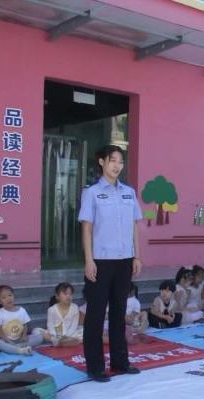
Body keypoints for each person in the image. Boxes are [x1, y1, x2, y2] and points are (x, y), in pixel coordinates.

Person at [78, 145, 142, 382]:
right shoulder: (92, 193)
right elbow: (87, 227)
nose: (117, 166)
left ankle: (120, 362)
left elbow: (134, 225)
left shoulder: (128, 193)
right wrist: (89, 260)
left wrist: (136, 256)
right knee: (95, 315)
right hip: (101, 261)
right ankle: (95, 367)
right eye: (113, 160)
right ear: (102, 162)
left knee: (118, 312)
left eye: (120, 162)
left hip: (124, 261)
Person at [0, 285, 43, 355]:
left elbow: (25, 325)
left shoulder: (21, 310)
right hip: (6, 340)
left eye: (10, 295)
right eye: (4, 297)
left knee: (39, 338)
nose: (8, 299)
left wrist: (24, 335)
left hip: (20, 340)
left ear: (13, 296)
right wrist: (6, 340)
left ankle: (14, 348)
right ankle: (20, 350)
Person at [38, 282, 83, 347]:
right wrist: (58, 336)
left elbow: (74, 325)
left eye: (70, 294)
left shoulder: (75, 307)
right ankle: (61, 342)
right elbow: (50, 326)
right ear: (57, 296)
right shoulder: (51, 310)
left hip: (71, 334)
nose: (68, 296)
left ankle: (63, 342)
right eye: (65, 294)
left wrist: (66, 336)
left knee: (84, 330)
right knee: (37, 331)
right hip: (56, 335)